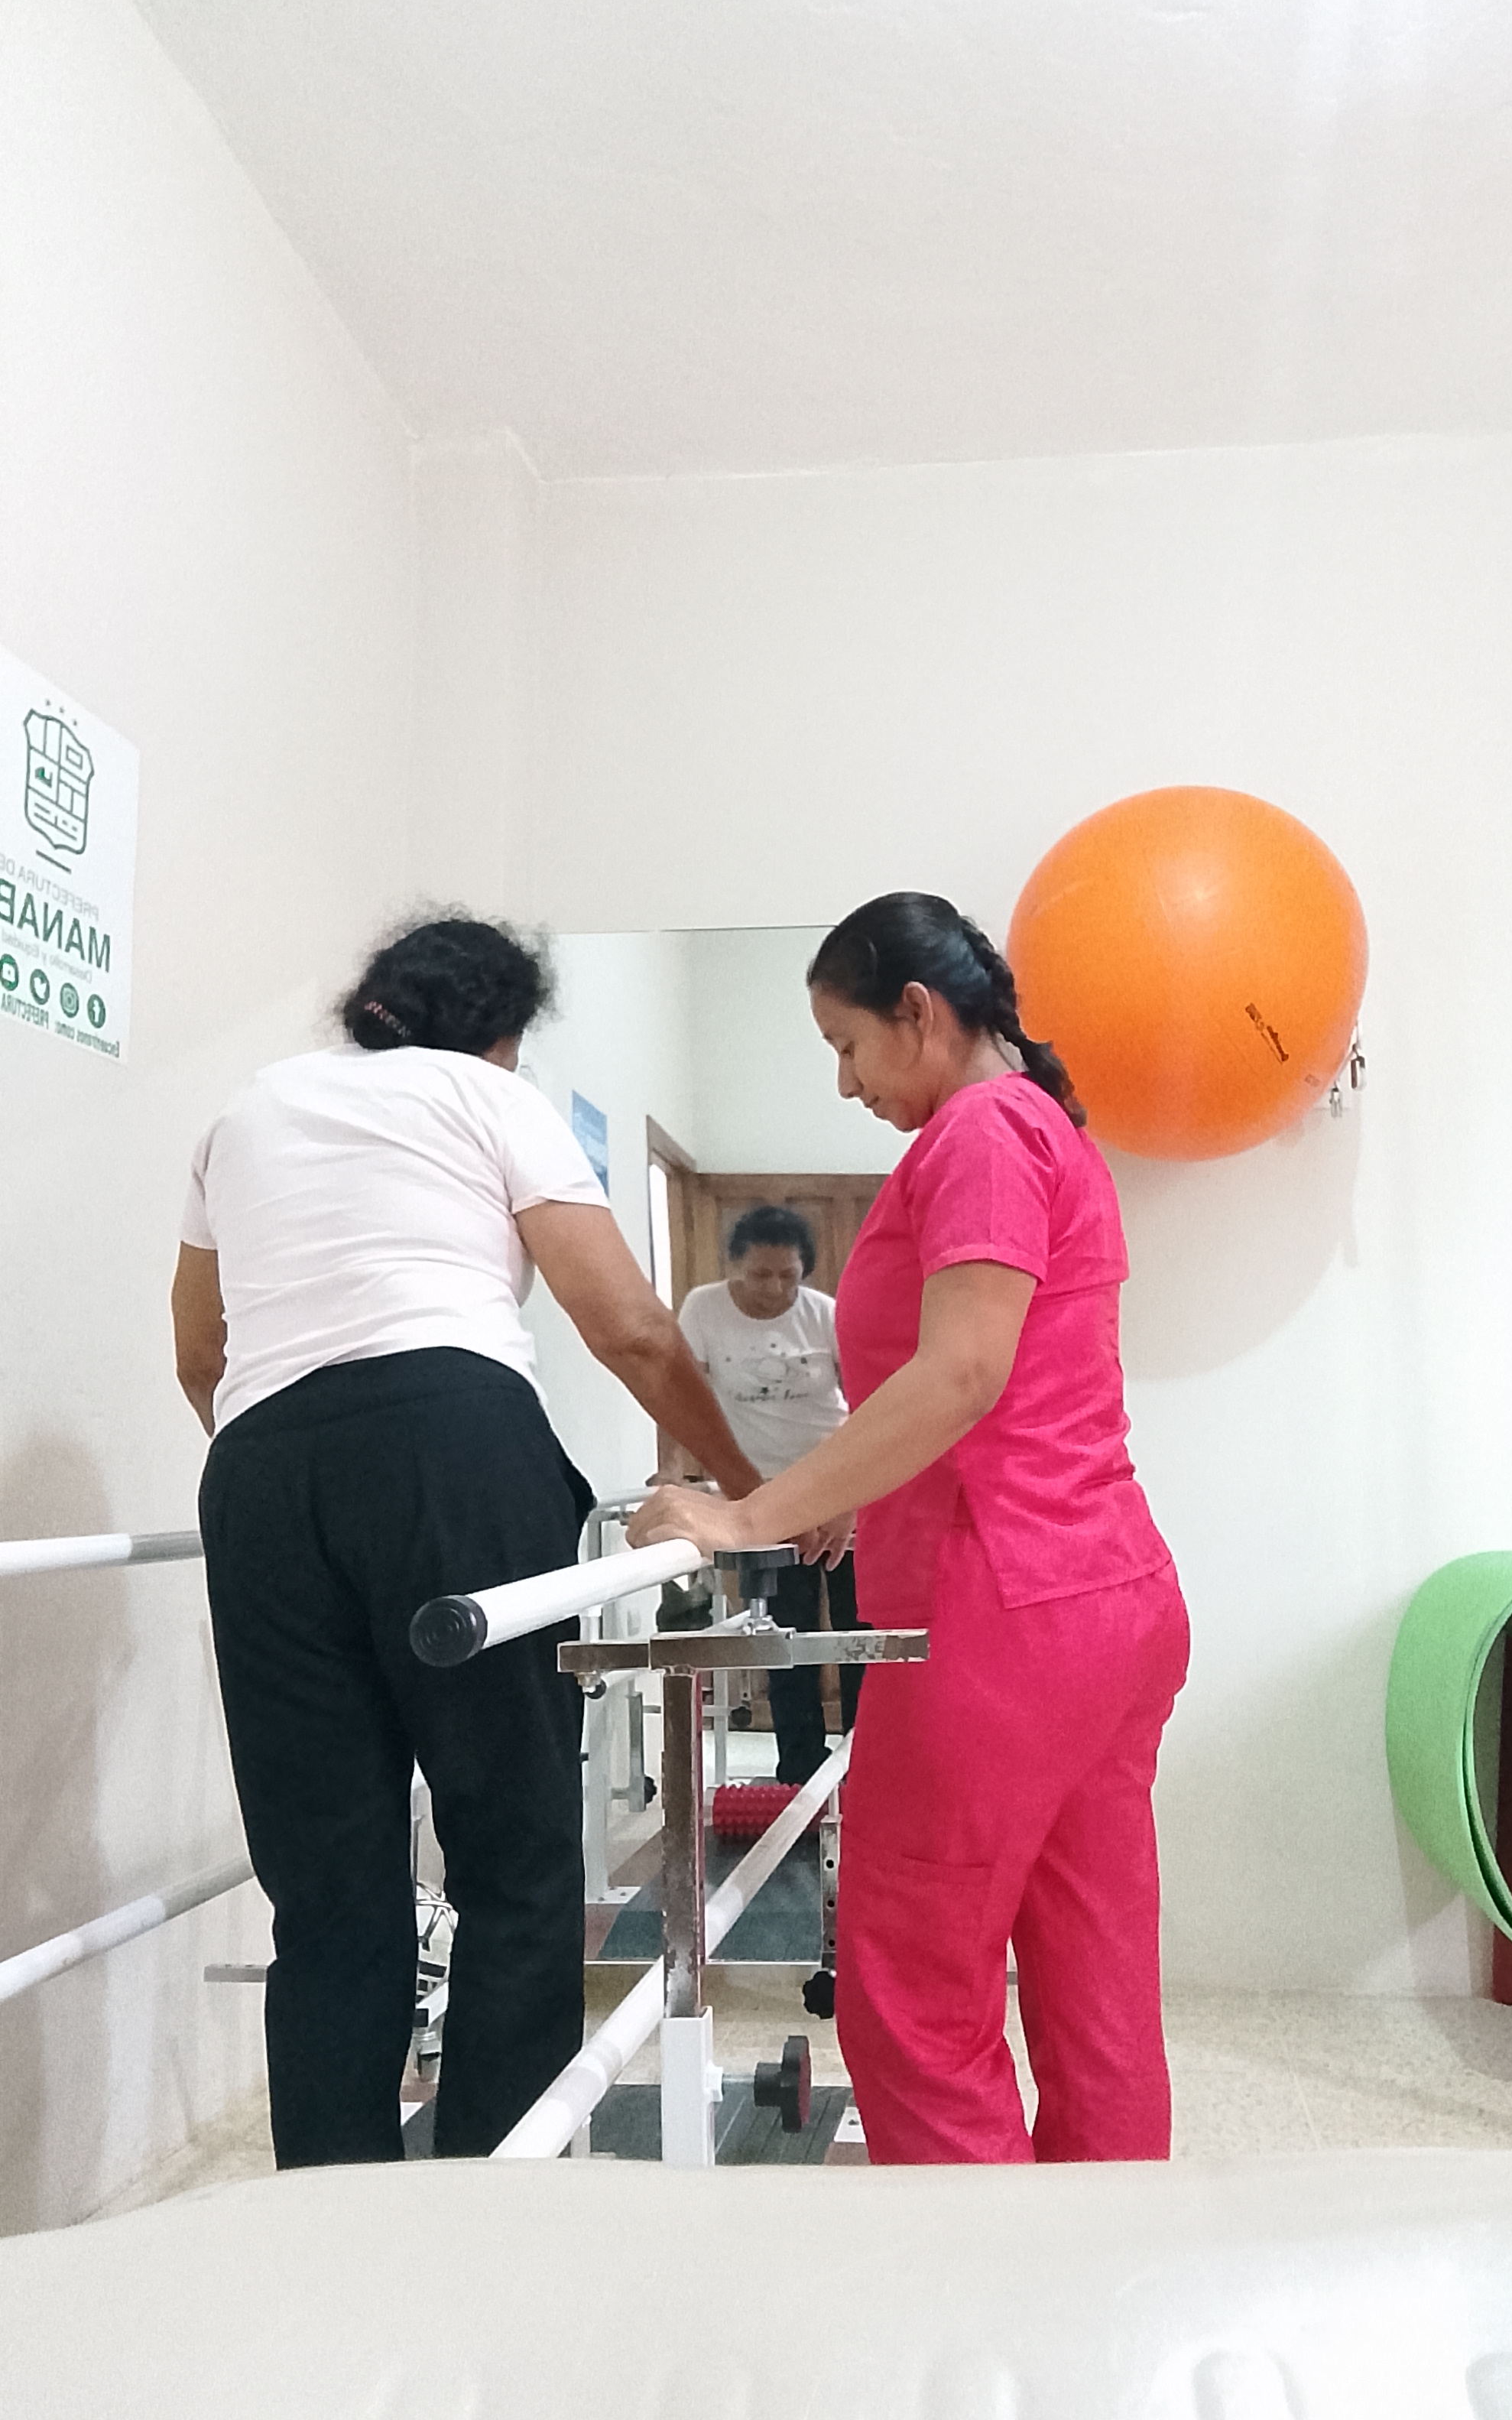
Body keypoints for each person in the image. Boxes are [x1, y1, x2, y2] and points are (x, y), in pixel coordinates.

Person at [170, 914, 761, 2168]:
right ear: (499, 1034)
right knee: (516, 1855)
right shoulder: (489, 1096)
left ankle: (329, 2207)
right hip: (454, 1445)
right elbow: (630, 1326)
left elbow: (199, 1352)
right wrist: (751, 1488)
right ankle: (495, 2195)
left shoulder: (249, 1108)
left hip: (262, 1473)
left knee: (327, 1889)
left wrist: (297, 1477)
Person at [630, 892, 1187, 2165]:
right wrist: (850, 1494)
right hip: (1106, 1600)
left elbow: (960, 1374)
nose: (844, 1081)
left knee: (911, 1985)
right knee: (1093, 1979)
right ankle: (1108, 2254)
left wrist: (747, 1513)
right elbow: (1000, 1387)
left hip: (1003, 1616)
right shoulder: (1041, 1125)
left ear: (919, 1013)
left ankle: (972, 2268)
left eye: (847, 1043)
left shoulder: (982, 1131)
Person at [676, 1204, 864, 1784]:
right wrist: (673, 1471)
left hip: (838, 1486)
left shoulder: (825, 1314)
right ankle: (798, 1769)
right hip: (766, 1497)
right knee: (786, 1636)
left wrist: (856, 1491)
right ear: (734, 1266)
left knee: (857, 1633)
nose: (776, 1288)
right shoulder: (704, 1309)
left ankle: (863, 1765)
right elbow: (681, 1395)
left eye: (789, 1275)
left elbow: (863, 1401)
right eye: (761, 1274)